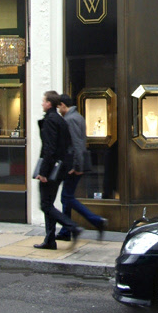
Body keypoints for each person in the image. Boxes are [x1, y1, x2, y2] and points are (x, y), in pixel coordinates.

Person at [33, 90, 83, 250]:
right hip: (59, 168)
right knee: (49, 203)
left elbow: (49, 148)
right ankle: (50, 240)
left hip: (51, 169)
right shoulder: (60, 120)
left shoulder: (50, 121)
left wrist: (43, 172)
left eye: (43, 100)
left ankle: (71, 226)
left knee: (45, 205)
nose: (42, 103)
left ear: (49, 103)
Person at [57, 94, 108, 240]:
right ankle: (66, 231)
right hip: (75, 162)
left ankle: (96, 220)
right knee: (66, 197)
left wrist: (77, 165)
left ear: (62, 105)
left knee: (67, 197)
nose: (59, 110)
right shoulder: (78, 117)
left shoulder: (70, 119)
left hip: (74, 164)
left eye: (59, 107)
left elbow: (77, 144)